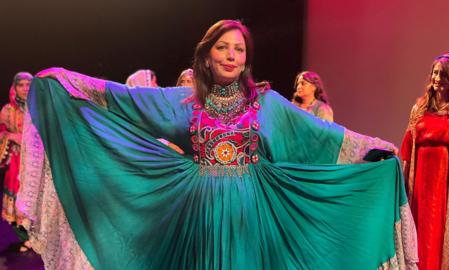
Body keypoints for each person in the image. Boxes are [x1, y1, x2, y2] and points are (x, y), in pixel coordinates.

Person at [18, 20, 417, 270]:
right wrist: (68, 81)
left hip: (253, 212)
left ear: (246, 59)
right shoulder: (185, 101)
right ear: (206, 56)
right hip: (199, 213)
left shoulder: (267, 104)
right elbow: (124, 99)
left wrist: (372, 149)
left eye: (239, 49)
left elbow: (324, 138)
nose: (231, 55)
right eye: (222, 47)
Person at [401, 52, 449, 270]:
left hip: (448, 187)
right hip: (420, 187)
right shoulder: (420, 108)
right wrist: (403, 184)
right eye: (434, 73)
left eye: (442, 74)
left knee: (442, 235)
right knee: (421, 232)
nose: (436, 78)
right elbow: (408, 148)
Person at [1, 72, 33, 252]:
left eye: (29, 85)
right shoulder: (7, 110)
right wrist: (11, 136)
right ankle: (25, 237)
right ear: (15, 88)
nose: (25, 88)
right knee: (17, 195)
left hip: (39, 159)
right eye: (21, 85)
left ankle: (40, 238)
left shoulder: (40, 107)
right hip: (16, 160)